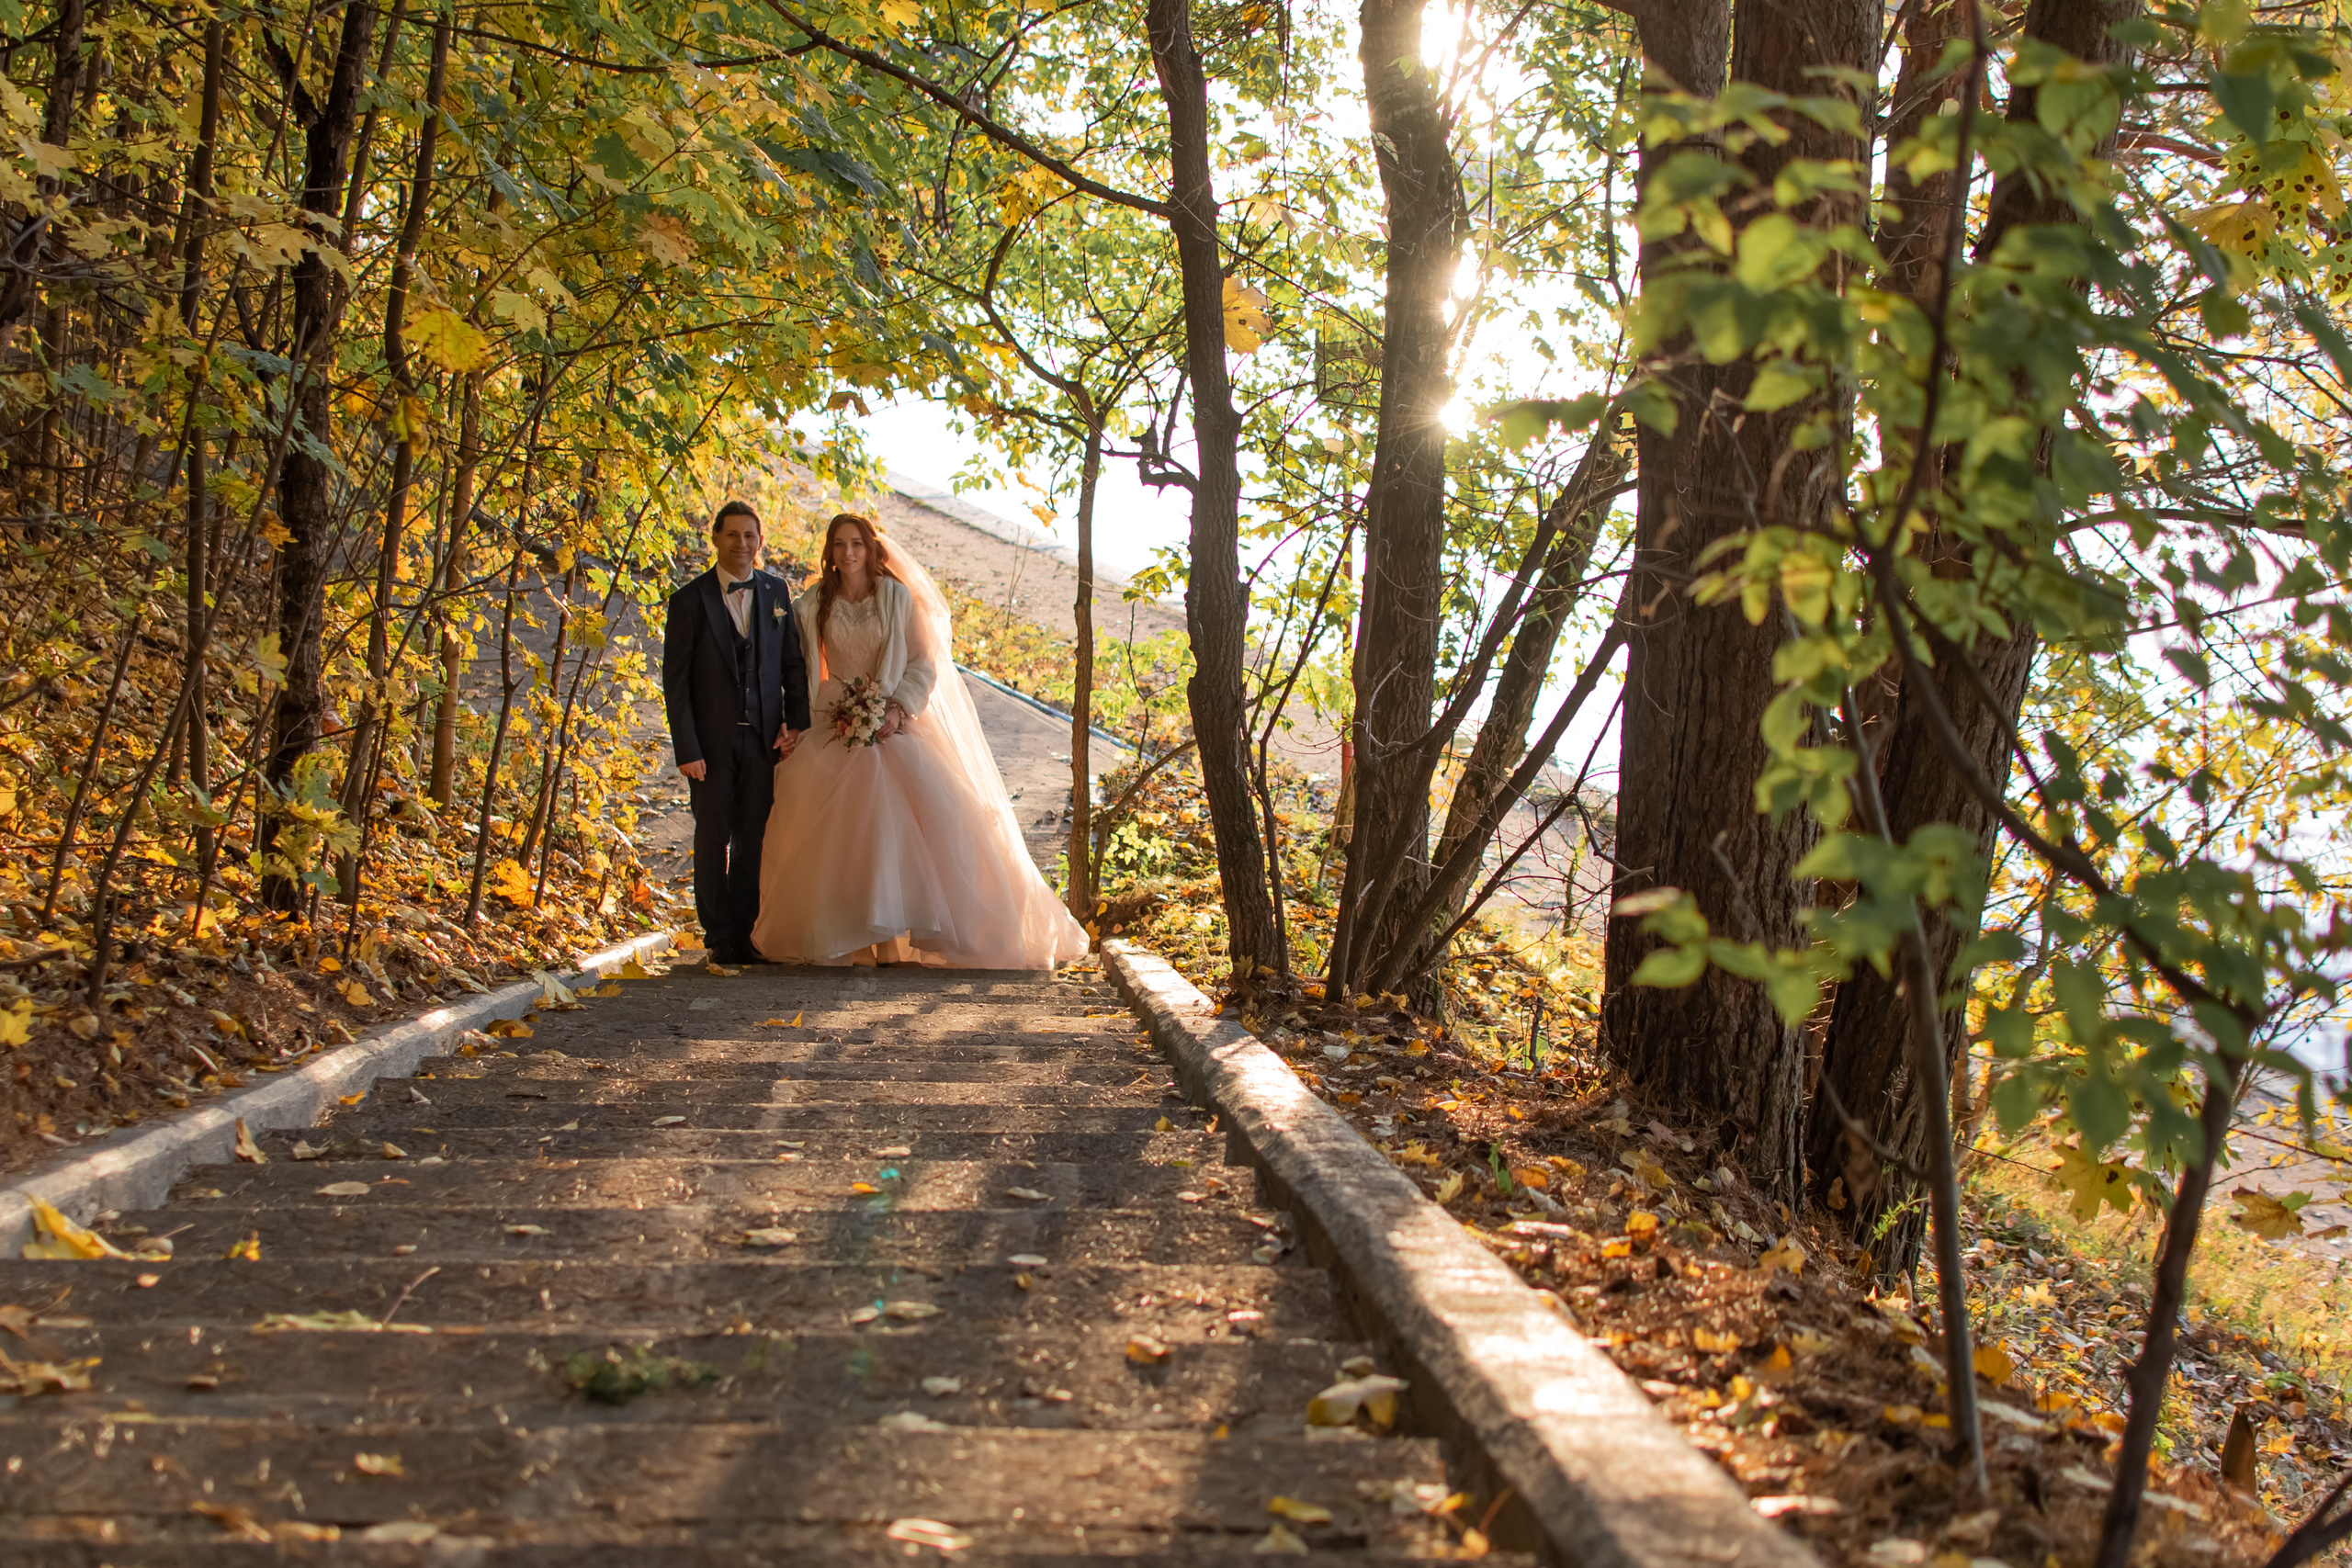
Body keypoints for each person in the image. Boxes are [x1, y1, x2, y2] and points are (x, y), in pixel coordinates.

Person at [751, 512, 1089, 969]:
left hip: (892, 718)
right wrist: (806, 718)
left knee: (906, 822)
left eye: (856, 543)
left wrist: (895, 708)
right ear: (829, 552)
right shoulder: (813, 603)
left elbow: (923, 664)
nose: (847, 552)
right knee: (838, 831)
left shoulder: (895, 596)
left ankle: (892, 938)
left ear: (871, 549)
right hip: (837, 719)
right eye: (838, 544)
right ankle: (848, 936)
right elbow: (799, 668)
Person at [661, 500, 809, 964]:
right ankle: (719, 934)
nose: (741, 544)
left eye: (750, 536)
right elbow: (677, 684)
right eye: (732, 535)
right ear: (716, 539)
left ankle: (746, 932)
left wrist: (797, 723)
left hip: (763, 740)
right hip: (710, 744)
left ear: (759, 541)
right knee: (712, 838)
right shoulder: (689, 600)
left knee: (753, 836)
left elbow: (792, 664)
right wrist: (687, 747)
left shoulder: (776, 593)